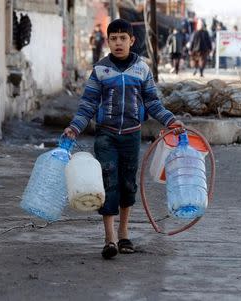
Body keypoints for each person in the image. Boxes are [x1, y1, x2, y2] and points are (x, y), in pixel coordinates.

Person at [63, 19, 184, 259]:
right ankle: (109, 239)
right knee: (108, 184)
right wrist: (74, 128)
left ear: (132, 41)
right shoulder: (100, 70)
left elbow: (151, 101)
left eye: (122, 38)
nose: (118, 43)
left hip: (131, 136)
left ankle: (124, 232)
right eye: (113, 38)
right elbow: (87, 105)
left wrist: (170, 121)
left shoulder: (142, 70)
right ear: (108, 41)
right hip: (106, 136)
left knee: (128, 184)